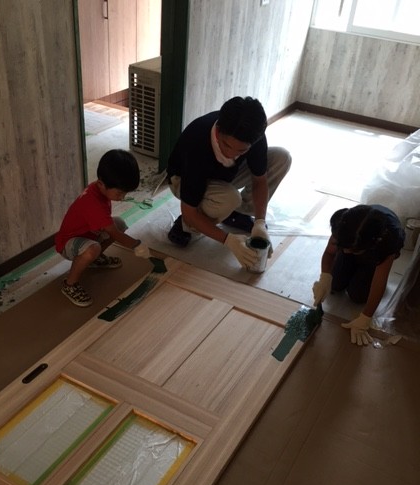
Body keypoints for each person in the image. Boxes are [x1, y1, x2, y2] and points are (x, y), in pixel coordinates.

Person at [165, 96, 291, 268]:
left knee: (281, 158)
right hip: (182, 178)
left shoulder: (254, 135)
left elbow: (259, 180)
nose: (231, 154)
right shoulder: (197, 142)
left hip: (226, 175)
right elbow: (189, 211)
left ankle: (237, 214)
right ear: (218, 130)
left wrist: (259, 222)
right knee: (229, 198)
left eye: (241, 150)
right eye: (226, 145)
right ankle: (185, 227)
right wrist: (228, 240)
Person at [55, 149, 151, 307]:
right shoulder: (92, 203)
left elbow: (113, 228)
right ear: (101, 184)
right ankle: (70, 284)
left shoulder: (99, 189)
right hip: (68, 243)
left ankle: (95, 259)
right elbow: (114, 233)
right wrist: (136, 245)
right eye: (119, 193)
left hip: (88, 235)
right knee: (93, 248)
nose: (122, 198)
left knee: (119, 223)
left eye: (125, 193)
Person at [312, 204, 405, 345]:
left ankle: (364, 265)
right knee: (335, 284)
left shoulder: (388, 241)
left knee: (358, 295)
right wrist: (325, 277)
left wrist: (366, 318)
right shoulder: (344, 225)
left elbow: (380, 280)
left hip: (372, 254)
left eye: (352, 250)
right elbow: (330, 253)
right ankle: (353, 263)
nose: (346, 251)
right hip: (359, 242)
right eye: (344, 247)